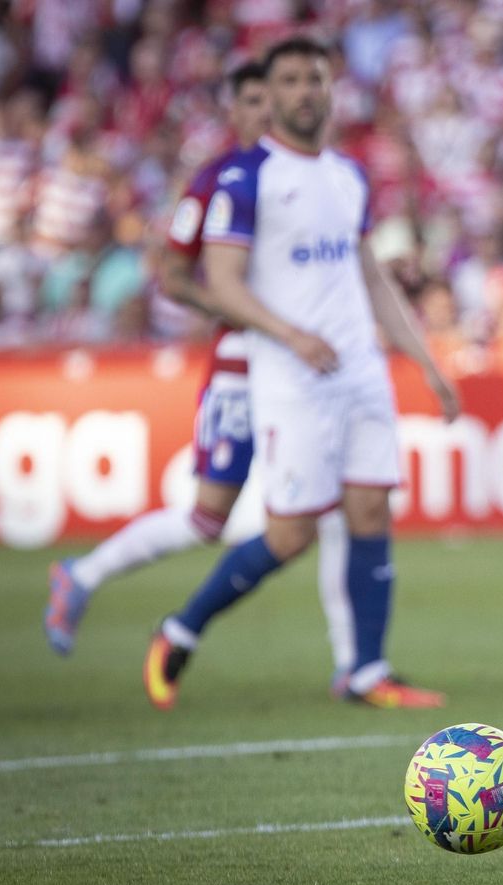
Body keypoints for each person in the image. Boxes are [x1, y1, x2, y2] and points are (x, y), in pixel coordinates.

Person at [142, 36, 460, 711]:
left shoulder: (347, 174)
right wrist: (291, 334)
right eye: (289, 81)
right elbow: (222, 281)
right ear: (272, 94)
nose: (304, 92)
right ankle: (180, 629)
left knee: (371, 510)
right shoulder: (244, 178)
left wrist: (426, 361)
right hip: (291, 377)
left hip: (360, 370)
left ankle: (366, 671)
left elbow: (369, 275)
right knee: (291, 534)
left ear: (329, 88)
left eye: (315, 79)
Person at [44, 63, 358, 686]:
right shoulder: (219, 180)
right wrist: (251, 313)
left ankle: (356, 664)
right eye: (253, 100)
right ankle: (84, 575)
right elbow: (174, 274)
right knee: (208, 517)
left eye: (273, 98)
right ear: (234, 111)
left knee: (341, 507)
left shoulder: (317, 177)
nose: (266, 111)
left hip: (306, 367)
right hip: (245, 364)